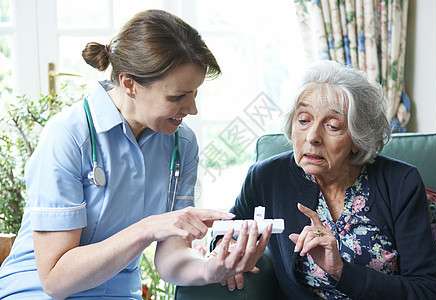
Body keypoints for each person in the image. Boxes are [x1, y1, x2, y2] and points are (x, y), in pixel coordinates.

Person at [0, 9, 271, 299]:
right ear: (129, 84)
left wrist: (211, 269)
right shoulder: (68, 135)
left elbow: (171, 256)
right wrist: (148, 228)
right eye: (177, 97)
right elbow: (56, 280)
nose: (192, 109)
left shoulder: (181, 143)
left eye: (194, 93)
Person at [218, 60, 436, 299]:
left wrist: (342, 271)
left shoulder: (401, 183)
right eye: (304, 120)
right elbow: (225, 229)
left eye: (333, 125)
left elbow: (429, 291)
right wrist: (227, 248)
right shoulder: (267, 177)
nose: (313, 136)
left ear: (358, 139)